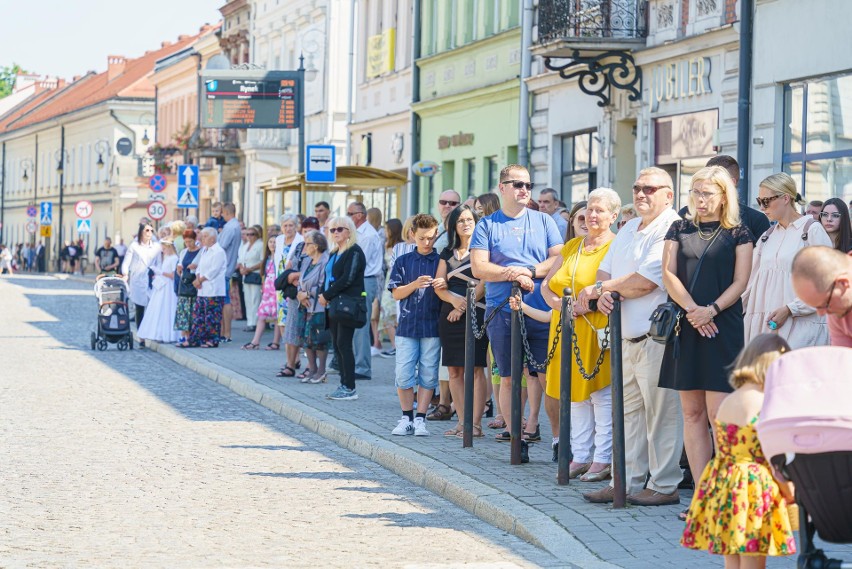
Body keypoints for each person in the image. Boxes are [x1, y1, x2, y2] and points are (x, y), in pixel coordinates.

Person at [577, 167, 684, 506]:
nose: (641, 194)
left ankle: (664, 485)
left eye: (649, 189)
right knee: (629, 415)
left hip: (657, 337)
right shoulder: (628, 228)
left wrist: (600, 290)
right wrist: (604, 290)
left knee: (661, 414)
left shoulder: (670, 226)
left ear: (668, 194)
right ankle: (627, 480)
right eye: (637, 187)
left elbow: (646, 282)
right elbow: (607, 269)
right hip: (625, 335)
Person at [659, 166, 754, 517]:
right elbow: (668, 273)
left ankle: (725, 498)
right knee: (692, 413)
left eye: (708, 193)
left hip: (722, 327)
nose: (700, 199)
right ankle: (702, 499)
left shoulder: (739, 233)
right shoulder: (679, 227)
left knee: (719, 416)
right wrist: (692, 310)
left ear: (724, 196)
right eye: (696, 192)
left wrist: (710, 310)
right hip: (687, 325)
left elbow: (740, 281)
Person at [470, 164, 563, 461]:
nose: (524, 189)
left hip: (540, 308)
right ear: (502, 188)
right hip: (502, 309)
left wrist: (531, 271)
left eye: (528, 184)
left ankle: (559, 440)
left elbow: (558, 259)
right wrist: (513, 275)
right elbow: (479, 267)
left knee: (548, 377)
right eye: (517, 184)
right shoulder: (487, 224)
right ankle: (516, 437)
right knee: (508, 376)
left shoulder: (544, 221)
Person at [681, 334, 797, 564]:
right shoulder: (764, 404)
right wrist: (789, 492)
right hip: (752, 487)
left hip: (723, 482)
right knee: (753, 559)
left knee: (731, 558)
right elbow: (774, 459)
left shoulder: (730, 401)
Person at [536, 187, 621, 474]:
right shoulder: (572, 246)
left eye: (598, 211)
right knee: (575, 395)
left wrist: (583, 307)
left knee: (601, 395)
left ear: (613, 215)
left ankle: (603, 458)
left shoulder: (616, 247)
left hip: (597, 327)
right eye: (589, 211)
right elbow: (548, 284)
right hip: (566, 327)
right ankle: (581, 455)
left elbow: (613, 288)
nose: (592, 216)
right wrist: (562, 305)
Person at [743, 173, 833, 348]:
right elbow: (749, 285)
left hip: (801, 328)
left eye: (766, 201)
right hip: (765, 329)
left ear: (785, 198)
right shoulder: (767, 237)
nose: (762, 207)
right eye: (759, 201)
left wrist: (791, 309)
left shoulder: (812, 230)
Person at [433, 205, 489, 438]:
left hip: (477, 312)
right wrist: (454, 304)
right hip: (450, 314)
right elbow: (439, 285)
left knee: (475, 369)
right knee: (454, 371)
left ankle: (475, 424)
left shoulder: (484, 250)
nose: (466, 224)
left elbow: (485, 283)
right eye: (461, 221)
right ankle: (461, 423)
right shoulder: (446, 253)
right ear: (453, 226)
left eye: (470, 220)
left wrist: (463, 306)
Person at [388, 214, 442, 436]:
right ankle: (406, 417)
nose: (427, 243)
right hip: (407, 325)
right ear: (412, 235)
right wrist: (414, 284)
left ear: (436, 234)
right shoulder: (403, 261)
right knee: (403, 373)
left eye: (430, 238)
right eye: (422, 238)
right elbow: (396, 293)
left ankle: (421, 418)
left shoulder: (441, 261)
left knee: (429, 374)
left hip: (432, 325)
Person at [319, 216, 366, 401]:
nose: (336, 233)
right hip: (333, 305)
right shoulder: (334, 252)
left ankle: (350, 387)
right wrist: (325, 296)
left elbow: (348, 279)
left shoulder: (354, 252)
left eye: (340, 229)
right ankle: (343, 383)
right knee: (338, 345)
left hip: (347, 304)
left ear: (349, 231)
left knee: (344, 345)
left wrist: (326, 295)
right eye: (332, 230)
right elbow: (328, 277)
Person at [678, 155, 770, 245]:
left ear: (731, 183)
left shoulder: (756, 221)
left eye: (715, 178)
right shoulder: (686, 214)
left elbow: (760, 257)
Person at [280, 217, 321, 377]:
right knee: (291, 330)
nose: (307, 234)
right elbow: (289, 267)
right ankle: (290, 364)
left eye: (311, 231)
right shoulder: (298, 247)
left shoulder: (319, 247)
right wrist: (293, 277)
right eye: (305, 231)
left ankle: (310, 367)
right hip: (294, 294)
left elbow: (317, 269)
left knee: (308, 333)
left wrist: (297, 276)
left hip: (310, 295)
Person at [347, 201, 382, 381]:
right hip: (359, 280)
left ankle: (362, 367)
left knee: (361, 324)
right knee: (354, 323)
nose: (348, 217)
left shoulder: (367, 235)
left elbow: (359, 262)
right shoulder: (358, 233)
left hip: (365, 280)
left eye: (350, 213)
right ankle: (355, 363)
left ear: (359, 215)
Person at [791, 246, 852, 347]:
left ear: (843, 283)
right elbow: (845, 359)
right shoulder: (838, 312)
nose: (821, 313)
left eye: (825, 304)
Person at [296, 230, 331, 383]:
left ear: (316, 246)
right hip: (305, 306)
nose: (305, 246)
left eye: (307, 243)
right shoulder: (307, 261)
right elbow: (300, 282)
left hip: (318, 307)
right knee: (306, 340)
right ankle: (312, 369)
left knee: (319, 340)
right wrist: (300, 295)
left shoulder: (326, 261)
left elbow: (325, 285)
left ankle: (322, 371)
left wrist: (308, 293)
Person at [121, 222, 161, 344]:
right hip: (137, 279)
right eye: (146, 231)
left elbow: (159, 263)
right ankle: (141, 336)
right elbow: (126, 262)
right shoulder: (134, 246)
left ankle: (152, 333)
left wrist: (157, 273)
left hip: (151, 279)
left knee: (152, 307)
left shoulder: (156, 247)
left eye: (151, 231)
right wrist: (125, 274)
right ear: (141, 232)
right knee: (140, 308)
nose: (149, 233)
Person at [188, 228, 227, 348]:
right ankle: (196, 339)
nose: (202, 238)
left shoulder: (218, 251)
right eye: (202, 236)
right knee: (199, 315)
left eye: (205, 236)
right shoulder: (205, 250)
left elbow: (213, 271)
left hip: (213, 289)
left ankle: (212, 340)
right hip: (202, 289)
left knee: (212, 316)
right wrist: (198, 278)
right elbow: (199, 267)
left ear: (213, 238)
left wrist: (199, 280)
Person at [243, 235, 283, 351]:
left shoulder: (280, 258)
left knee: (277, 317)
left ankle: (275, 342)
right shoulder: (267, 258)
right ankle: (255, 341)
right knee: (261, 316)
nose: (272, 244)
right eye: (270, 241)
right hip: (267, 292)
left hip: (277, 290)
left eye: (275, 242)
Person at [137, 239, 181, 344]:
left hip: (169, 287)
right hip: (162, 285)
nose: (163, 251)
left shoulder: (174, 258)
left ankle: (169, 334)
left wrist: (160, 272)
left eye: (164, 249)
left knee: (167, 308)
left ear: (169, 248)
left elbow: (173, 275)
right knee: (160, 309)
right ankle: (160, 333)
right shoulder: (167, 258)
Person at [274, 214, 301, 349]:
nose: (288, 228)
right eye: (285, 225)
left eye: (291, 225)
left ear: (296, 226)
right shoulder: (279, 240)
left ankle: (294, 352)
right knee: (281, 318)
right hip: (281, 282)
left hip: (293, 283)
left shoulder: (300, 241)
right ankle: (287, 348)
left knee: (291, 318)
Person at [379, 218, 404, 357]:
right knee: (387, 313)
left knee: (394, 314)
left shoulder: (399, 246)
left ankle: (397, 346)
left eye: (387, 229)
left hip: (395, 280)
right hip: (388, 280)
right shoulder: (387, 245)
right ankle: (395, 345)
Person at [218, 203, 242, 343]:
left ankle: (226, 333)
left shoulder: (230, 227)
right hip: (228, 267)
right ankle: (224, 332)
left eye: (222, 213)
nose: (221, 215)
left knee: (225, 301)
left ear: (226, 212)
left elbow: (221, 247)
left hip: (224, 268)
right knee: (224, 300)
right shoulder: (235, 226)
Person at [174, 229, 201, 348]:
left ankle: (191, 337)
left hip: (194, 284)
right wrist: (179, 268)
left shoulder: (200, 252)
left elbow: (202, 266)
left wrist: (195, 267)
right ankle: (183, 336)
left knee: (192, 312)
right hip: (184, 284)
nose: (188, 244)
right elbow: (180, 264)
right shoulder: (184, 252)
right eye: (186, 242)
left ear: (195, 240)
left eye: (190, 241)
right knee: (183, 312)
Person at [238, 225, 264, 333]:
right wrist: (242, 269)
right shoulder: (245, 246)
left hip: (255, 274)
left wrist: (250, 268)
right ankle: (250, 322)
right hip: (246, 275)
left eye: (252, 234)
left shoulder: (260, 245)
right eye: (247, 234)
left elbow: (262, 261)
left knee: (255, 299)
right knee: (248, 299)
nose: (249, 236)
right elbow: (240, 259)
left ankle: (255, 322)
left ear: (257, 235)